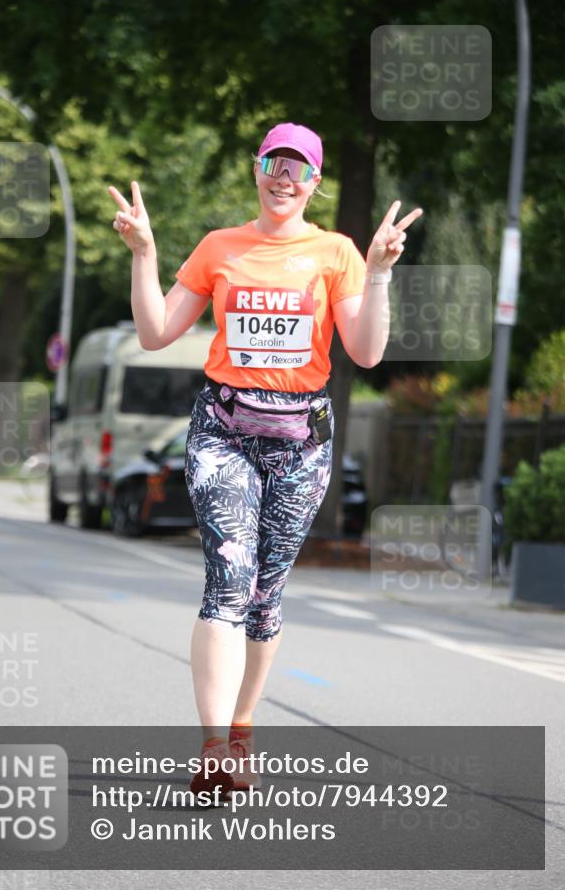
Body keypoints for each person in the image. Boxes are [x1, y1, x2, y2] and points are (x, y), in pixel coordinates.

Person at [108, 122, 422, 799]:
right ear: (257, 171)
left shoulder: (335, 252)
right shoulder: (219, 247)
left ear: (314, 183)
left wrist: (378, 275)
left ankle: (241, 725)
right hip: (222, 431)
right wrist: (143, 254)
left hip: (300, 442)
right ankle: (214, 747)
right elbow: (157, 332)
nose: (284, 177)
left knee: (264, 594)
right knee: (226, 577)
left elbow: (365, 353)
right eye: (274, 164)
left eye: (299, 169)